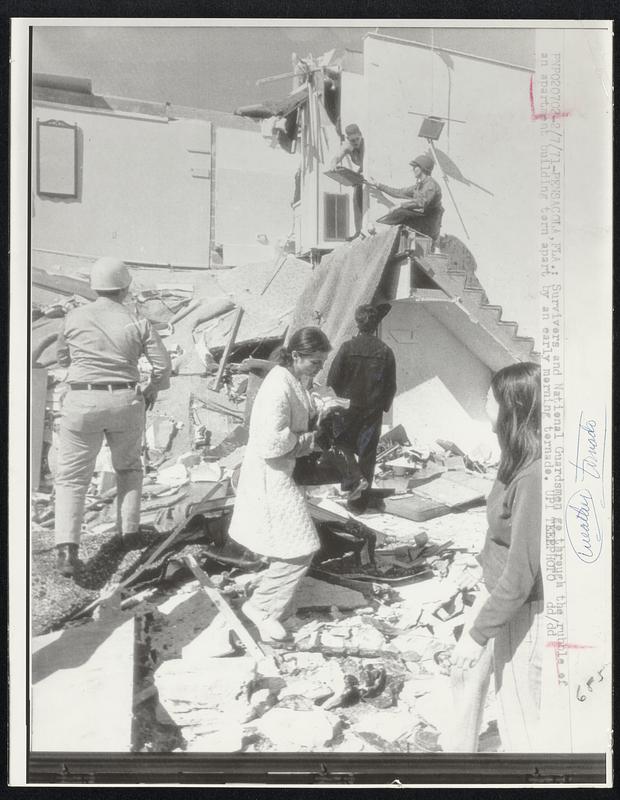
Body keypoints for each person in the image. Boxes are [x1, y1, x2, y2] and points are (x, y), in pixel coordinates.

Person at [53, 257, 171, 578]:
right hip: (124, 399)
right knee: (129, 467)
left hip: (82, 401)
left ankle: (66, 548)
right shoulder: (136, 320)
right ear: (126, 287)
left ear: (94, 286)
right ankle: (128, 533)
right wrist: (150, 389)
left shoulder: (74, 317)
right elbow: (162, 367)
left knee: (72, 478)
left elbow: (61, 357)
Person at [447, 362, 543, 752]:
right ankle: (455, 761)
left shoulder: (535, 477)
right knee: (463, 673)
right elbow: (500, 534)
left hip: (522, 605)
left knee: (520, 715)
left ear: (510, 406)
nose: (483, 400)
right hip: (497, 588)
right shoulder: (516, 456)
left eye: (489, 396)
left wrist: (478, 634)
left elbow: (522, 573)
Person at [228, 326, 332, 642]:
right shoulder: (278, 386)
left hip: (276, 475)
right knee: (301, 548)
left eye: (321, 362)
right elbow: (271, 443)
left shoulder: (289, 379)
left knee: (285, 546)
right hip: (269, 479)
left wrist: (318, 408)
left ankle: (277, 610)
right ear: (296, 356)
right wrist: (308, 439)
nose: (318, 368)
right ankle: (260, 607)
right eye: (314, 362)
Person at [326, 304, 396, 513]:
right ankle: (359, 504)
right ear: (376, 325)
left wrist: (340, 403)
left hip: (347, 410)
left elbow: (332, 379)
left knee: (341, 447)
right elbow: (391, 385)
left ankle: (352, 485)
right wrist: (382, 407)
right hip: (372, 411)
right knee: (367, 454)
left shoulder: (347, 348)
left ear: (357, 323)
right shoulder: (385, 351)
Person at [369, 153, 444, 243]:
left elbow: (421, 203)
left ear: (422, 168)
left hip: (429, 225)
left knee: (400, 216)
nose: (413, 169)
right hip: (422, 221)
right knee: (398, 218)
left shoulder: (431, 185)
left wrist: (400, 205)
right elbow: (399, 192)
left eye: (415, 167)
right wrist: (379, 185)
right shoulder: (420, 186)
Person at [330, 123, 365, 238]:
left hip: (368, 170)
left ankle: (362, 230)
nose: (355, 142)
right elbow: (336, 157)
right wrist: (334, 164)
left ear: (360, 135)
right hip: (361, 172)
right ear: (348, 139)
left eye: (357, 139)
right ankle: (358, 231)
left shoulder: (365, 145)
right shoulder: (347, 146)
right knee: (356, 200)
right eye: (352, 140)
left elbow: (366, 163)